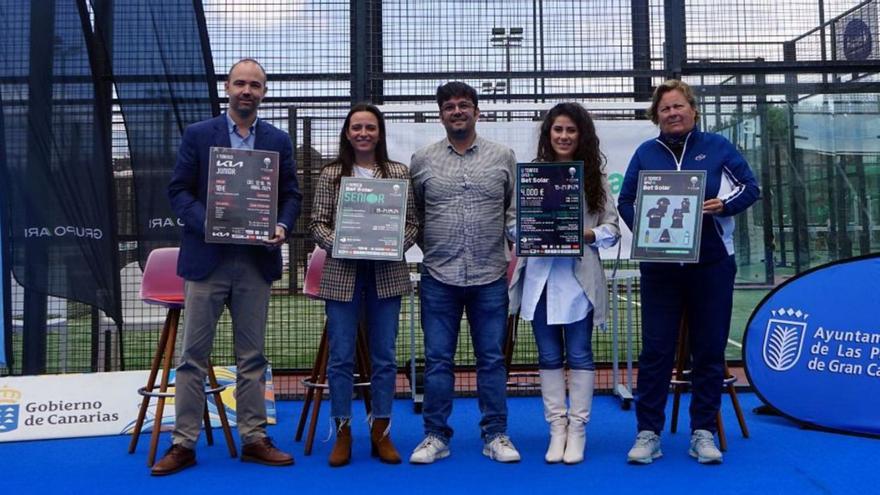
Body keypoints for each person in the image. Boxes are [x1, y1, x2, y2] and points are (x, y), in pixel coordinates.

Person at [155, 58, 302, 476]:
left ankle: (254, 438)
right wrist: (211, 224)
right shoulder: (199, 135)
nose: (247, 91)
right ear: (227, 87)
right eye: (240, 83)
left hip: (255, 262)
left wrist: (281, 224)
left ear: (264, 92)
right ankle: (183, 443)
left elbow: (292, 195)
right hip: (207, 260)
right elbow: (178, 191)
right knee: (191, 357)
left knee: (252, 356)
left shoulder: (278, 140)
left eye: (255, 85)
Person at [618, 80, 759, 465]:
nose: (672, 113)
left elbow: (750, 188)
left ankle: (703, 433)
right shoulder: (647, 152)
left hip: (711, 266)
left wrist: (722, 206)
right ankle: (648, 434)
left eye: (678, 106)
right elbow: (626, 200)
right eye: (665, 109)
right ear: (656, 116)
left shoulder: (717, 148)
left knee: (709, 350)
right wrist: (648, 231)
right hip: (660, 269)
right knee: (656, 351)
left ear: (693, 110)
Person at [408, 82, 520, 464]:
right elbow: (415, 214)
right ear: (441, 114)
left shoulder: (503, 156)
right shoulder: (421, 159)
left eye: (464, 105)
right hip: (439, 276)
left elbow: (512, 212)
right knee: (438, 360)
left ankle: (496, 434)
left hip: (490, 275)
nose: (457, 111)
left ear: (477, 111)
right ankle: (435, 436)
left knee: (492, 359)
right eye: (450, 106)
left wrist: (527, 235)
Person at [508, 103, 620, 464]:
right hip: (539, 281)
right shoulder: (533, 176)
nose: (564, 136)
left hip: (578, 284)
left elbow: (612, 229)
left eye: (571, 130)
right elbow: (511, 223)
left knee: (581, 355)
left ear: (581, 135)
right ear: (548, 134)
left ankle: (578, 429)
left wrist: (587, 234)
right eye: (557, 130)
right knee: (548, 355)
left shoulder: (594, 178)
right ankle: (556, 429)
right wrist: (527, 232)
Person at [309, 104, 418, 467]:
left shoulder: (398, 173)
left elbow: (413, 224)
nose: (363, 133)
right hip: (342, 275)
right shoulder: (331, 175)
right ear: (347, 133)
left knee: (385, 357)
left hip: (386, 275)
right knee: (340, 358)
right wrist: (341, 245)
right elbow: (317, 224)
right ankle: (342, 432)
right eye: (356, 127)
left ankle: (381, 432)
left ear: (380, 133)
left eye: (370, 127)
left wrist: (391, 246)